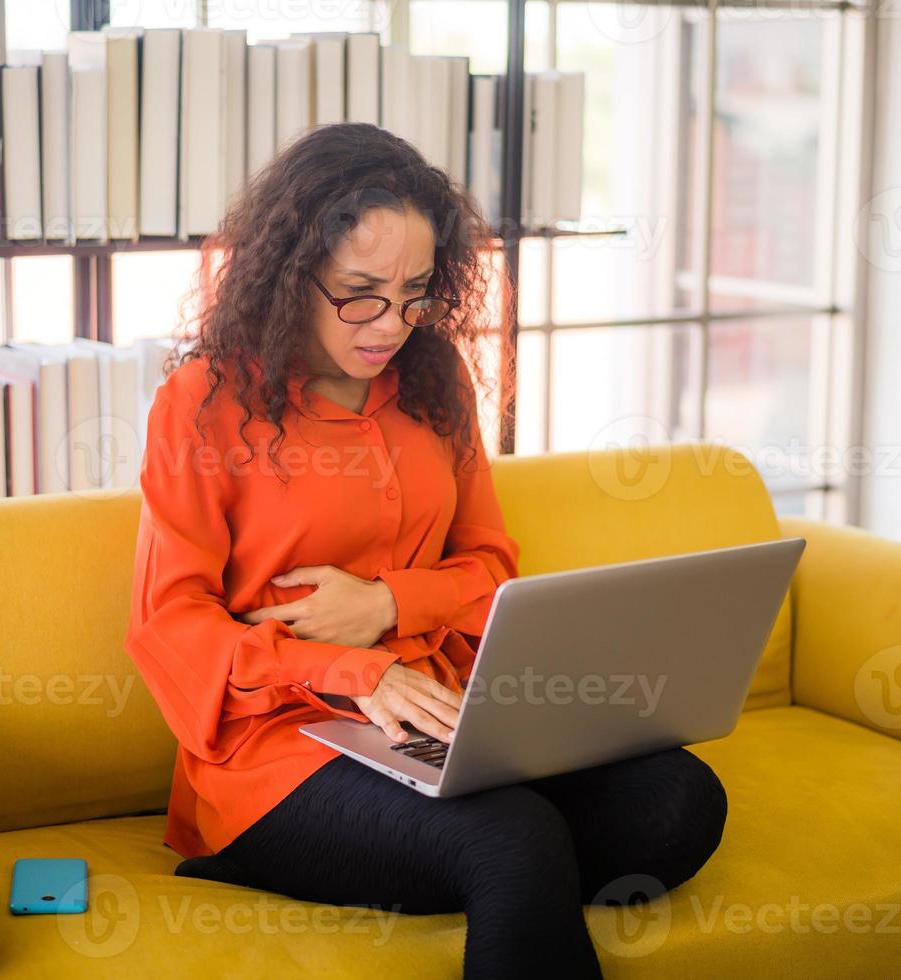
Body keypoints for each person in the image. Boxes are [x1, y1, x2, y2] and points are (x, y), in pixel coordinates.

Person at [124, 122, 727, 978]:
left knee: (678, 799)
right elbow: (170, 625)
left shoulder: (436, 385)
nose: (392, 325)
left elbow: (493, 568)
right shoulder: (203, 402)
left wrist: (387, 607)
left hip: (446, 720)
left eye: (416, 292)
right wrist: (358, 669)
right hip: (283, 749)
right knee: (512, 840)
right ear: (294, 275)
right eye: (361, 293)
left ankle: (482, 859)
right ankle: (465, 856)